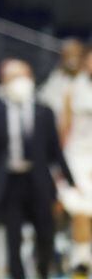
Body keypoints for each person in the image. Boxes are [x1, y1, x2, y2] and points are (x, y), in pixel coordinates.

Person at [0, 58, 74, 279]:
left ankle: (43, 271)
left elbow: (55, 152)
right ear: (3, 81)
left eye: (22, 76)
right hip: (10, 184)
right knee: (13, 238)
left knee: (45, 234)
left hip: (39, 182)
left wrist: (71, 183)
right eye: (12, 77)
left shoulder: (44, 111)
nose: (18, 82)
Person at [60, 46, 92, 278]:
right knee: (80, 211)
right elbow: (65, 127)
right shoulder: (73, 89)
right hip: (78, 157)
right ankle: (80, 263)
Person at [41, 37, 86, 119]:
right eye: (69, 53)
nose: (72, 58)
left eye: (76, 53)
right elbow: (45, 100)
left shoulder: (86, 79)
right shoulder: (56, 77)